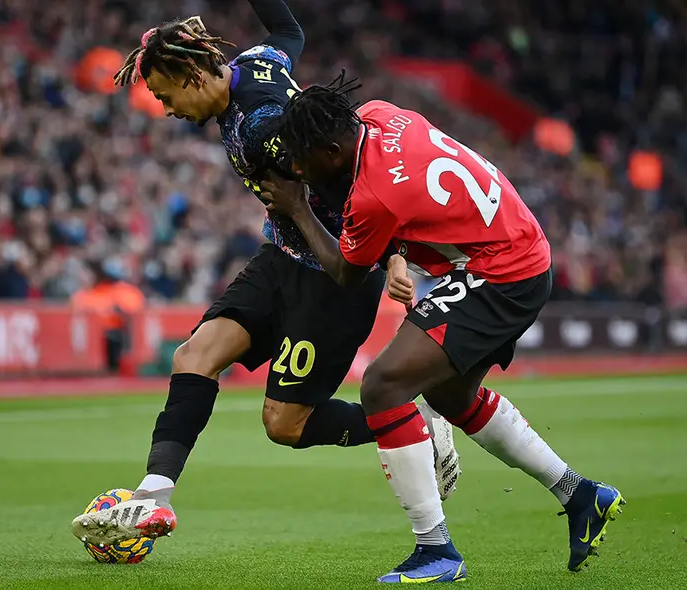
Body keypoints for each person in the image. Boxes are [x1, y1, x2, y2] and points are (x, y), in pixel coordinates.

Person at [71, 1, 460, 548]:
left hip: (333, 278)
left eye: (165, 95)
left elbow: (350, 178)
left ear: (192, 74)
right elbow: (287, 29)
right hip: (280, 257)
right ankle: (154, 498)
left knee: (285, 425)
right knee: (194, 356)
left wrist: (392, 253)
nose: (166, 109)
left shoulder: (264, 127)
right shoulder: (259, 61)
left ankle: (410, 421)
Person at [258, 74, 625, 582]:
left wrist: (298, 207)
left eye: (304, 159)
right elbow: (412, 198)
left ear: (334, 150)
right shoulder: (381, 113)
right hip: (514, 247)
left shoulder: (374, 196)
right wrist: (398, 254)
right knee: (450, 396)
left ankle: (436, 550)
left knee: (383, 385)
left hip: (499, 270)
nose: (298, 169)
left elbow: (345, 272)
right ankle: (581, 495)